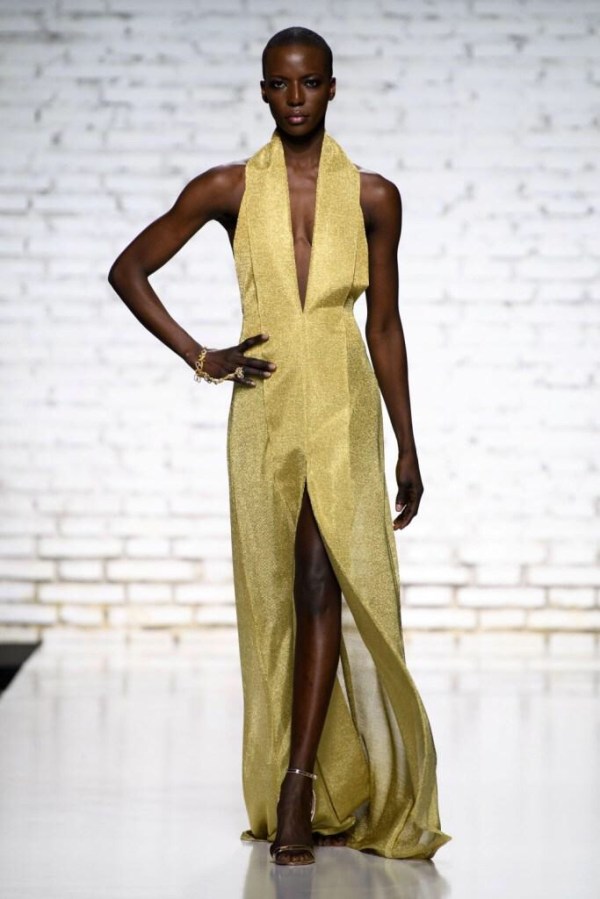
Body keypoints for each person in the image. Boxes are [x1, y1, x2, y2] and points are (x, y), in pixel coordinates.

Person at [108, 26, 451, 867]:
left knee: (320, 576)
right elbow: (128, 269)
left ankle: (298, 788)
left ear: (333, 87)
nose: (295, 98)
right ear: (263, 90)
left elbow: (384, 323)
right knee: (277, 594)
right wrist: (202, 355)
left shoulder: (375, 197)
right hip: (264, 406)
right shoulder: (227, 187)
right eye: (280, 84)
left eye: (310, 82)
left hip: (342, 400)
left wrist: (408, 442)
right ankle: (314, 776)